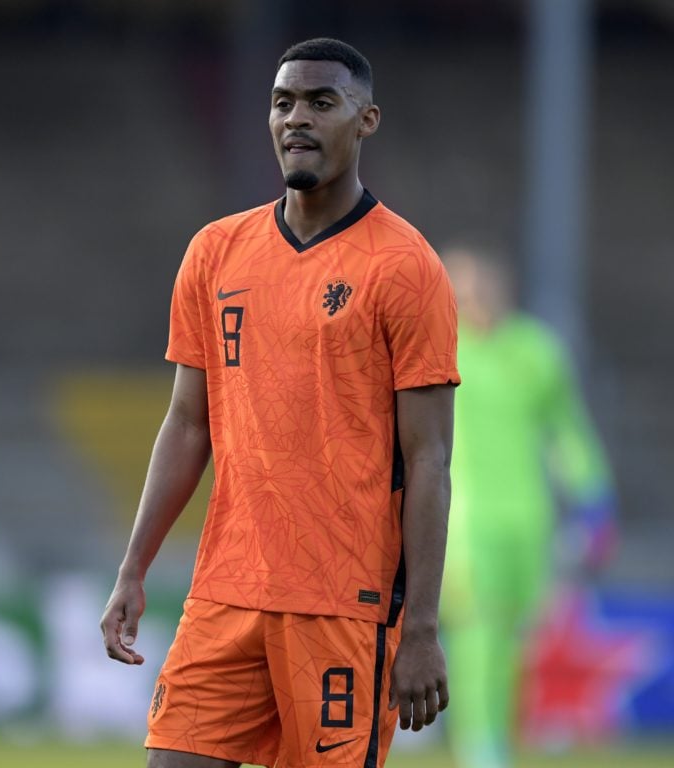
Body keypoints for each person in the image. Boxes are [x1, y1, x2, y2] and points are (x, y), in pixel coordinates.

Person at [100, 38, 461, 768]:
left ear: (366, 121)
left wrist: (420, 625)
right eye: (283, 102)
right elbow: (187, 422)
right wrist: (133, 566)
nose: (297, 118)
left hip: (342, 603)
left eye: (322, 103)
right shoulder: (215, 252)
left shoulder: (406, 267)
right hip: (224, 594)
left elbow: (429, 459)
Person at [439, 242, 616, 768]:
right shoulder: (437, 347)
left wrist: (594, 499)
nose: (473, 297)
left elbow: (568, 433)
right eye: (460, 286)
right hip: (464, 522)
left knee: (517, 637)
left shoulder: (537, 352)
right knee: (478, 631)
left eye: (479, 284)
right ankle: (480, 750)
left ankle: (497, 739)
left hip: (528, 518)